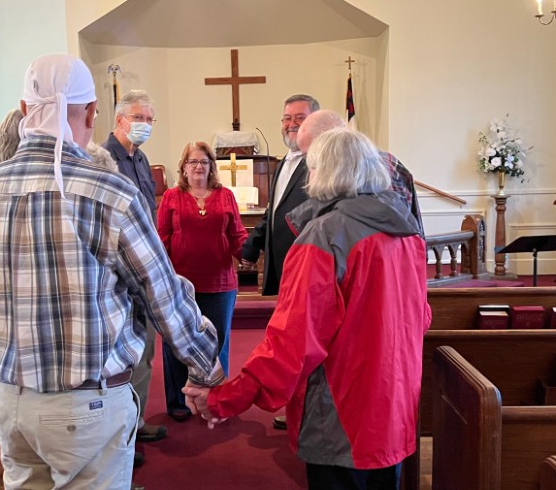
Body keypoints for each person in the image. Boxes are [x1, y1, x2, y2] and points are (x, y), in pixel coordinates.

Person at [0, 54, 223, 490]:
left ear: (25, 110)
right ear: (90, 113)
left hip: (11, 400)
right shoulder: (109, 190)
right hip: (84, 404)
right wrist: (205, 369)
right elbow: (160, 293)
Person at [183, 128, 431, 490]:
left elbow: (293, 342)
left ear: (325, 172)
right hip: (393, 409)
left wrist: (225, 397)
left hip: (343, 414)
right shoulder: (407, 233)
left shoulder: (325, 236)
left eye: (311, 168)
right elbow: (420, 318)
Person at [157, 141, 247, 421]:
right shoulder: (171, 197)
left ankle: (217, 401)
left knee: (218, 344)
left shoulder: (225, 196)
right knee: (176, 344)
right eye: (192, 161)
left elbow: (237, 234)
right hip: (180, 285)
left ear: (211, 167)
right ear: (183, 168)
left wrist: (252, 252)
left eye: (204, 162)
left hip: (220, 283)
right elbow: (161, 239)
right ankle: (179, 402)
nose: (198, 166)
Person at [101, 89, 168, 445]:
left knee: (146, 349)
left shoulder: (141, 159)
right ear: (120, 120)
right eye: (138, 118)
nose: (145, 125)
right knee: (121, 352)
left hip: (144, 267)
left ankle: (136, 421)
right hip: (118, 272)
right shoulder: (102, 158)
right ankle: (119, 429)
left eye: (149, 119)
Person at [296, 109, 424, 235]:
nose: (310, 163)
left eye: (310, 153)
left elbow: (393, 227)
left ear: (331, 142)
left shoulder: (378, 167)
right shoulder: (350, 167)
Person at [240, 94, 319, 296]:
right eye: (287, 118)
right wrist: (251, 246)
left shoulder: (321, 164)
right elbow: (274, 212)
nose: (291, 124)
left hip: (305, 268)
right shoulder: (282, 163)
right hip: (276, 268)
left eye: (300, 118)